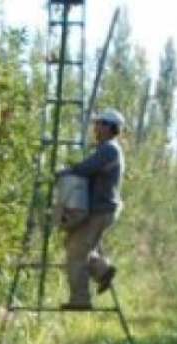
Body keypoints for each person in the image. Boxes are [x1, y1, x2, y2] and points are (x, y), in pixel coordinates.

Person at [57, 108, 126, 310]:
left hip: (100, 210)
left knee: (76, 253)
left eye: (99, 123)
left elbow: (86, 168)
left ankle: (80, 300)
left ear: (108, 127)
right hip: (103, 209)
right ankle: (102, 271)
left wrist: (65, 172)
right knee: (73, 243)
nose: (95, 127)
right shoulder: (107, 148)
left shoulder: (109, 150)